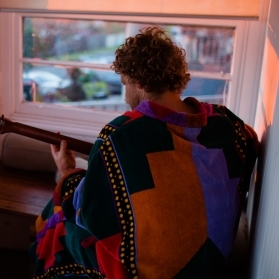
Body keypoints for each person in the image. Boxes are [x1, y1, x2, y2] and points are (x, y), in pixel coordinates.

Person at [29, 27, 259, 279]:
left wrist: (67, 172)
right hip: (214, 263)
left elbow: (89, 212)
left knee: (60, 220)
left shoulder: (121, 136)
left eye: (125, 83)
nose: (126, 93)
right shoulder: (230, 123)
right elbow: (247, 147)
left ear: (138, 81)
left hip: (158, 271)